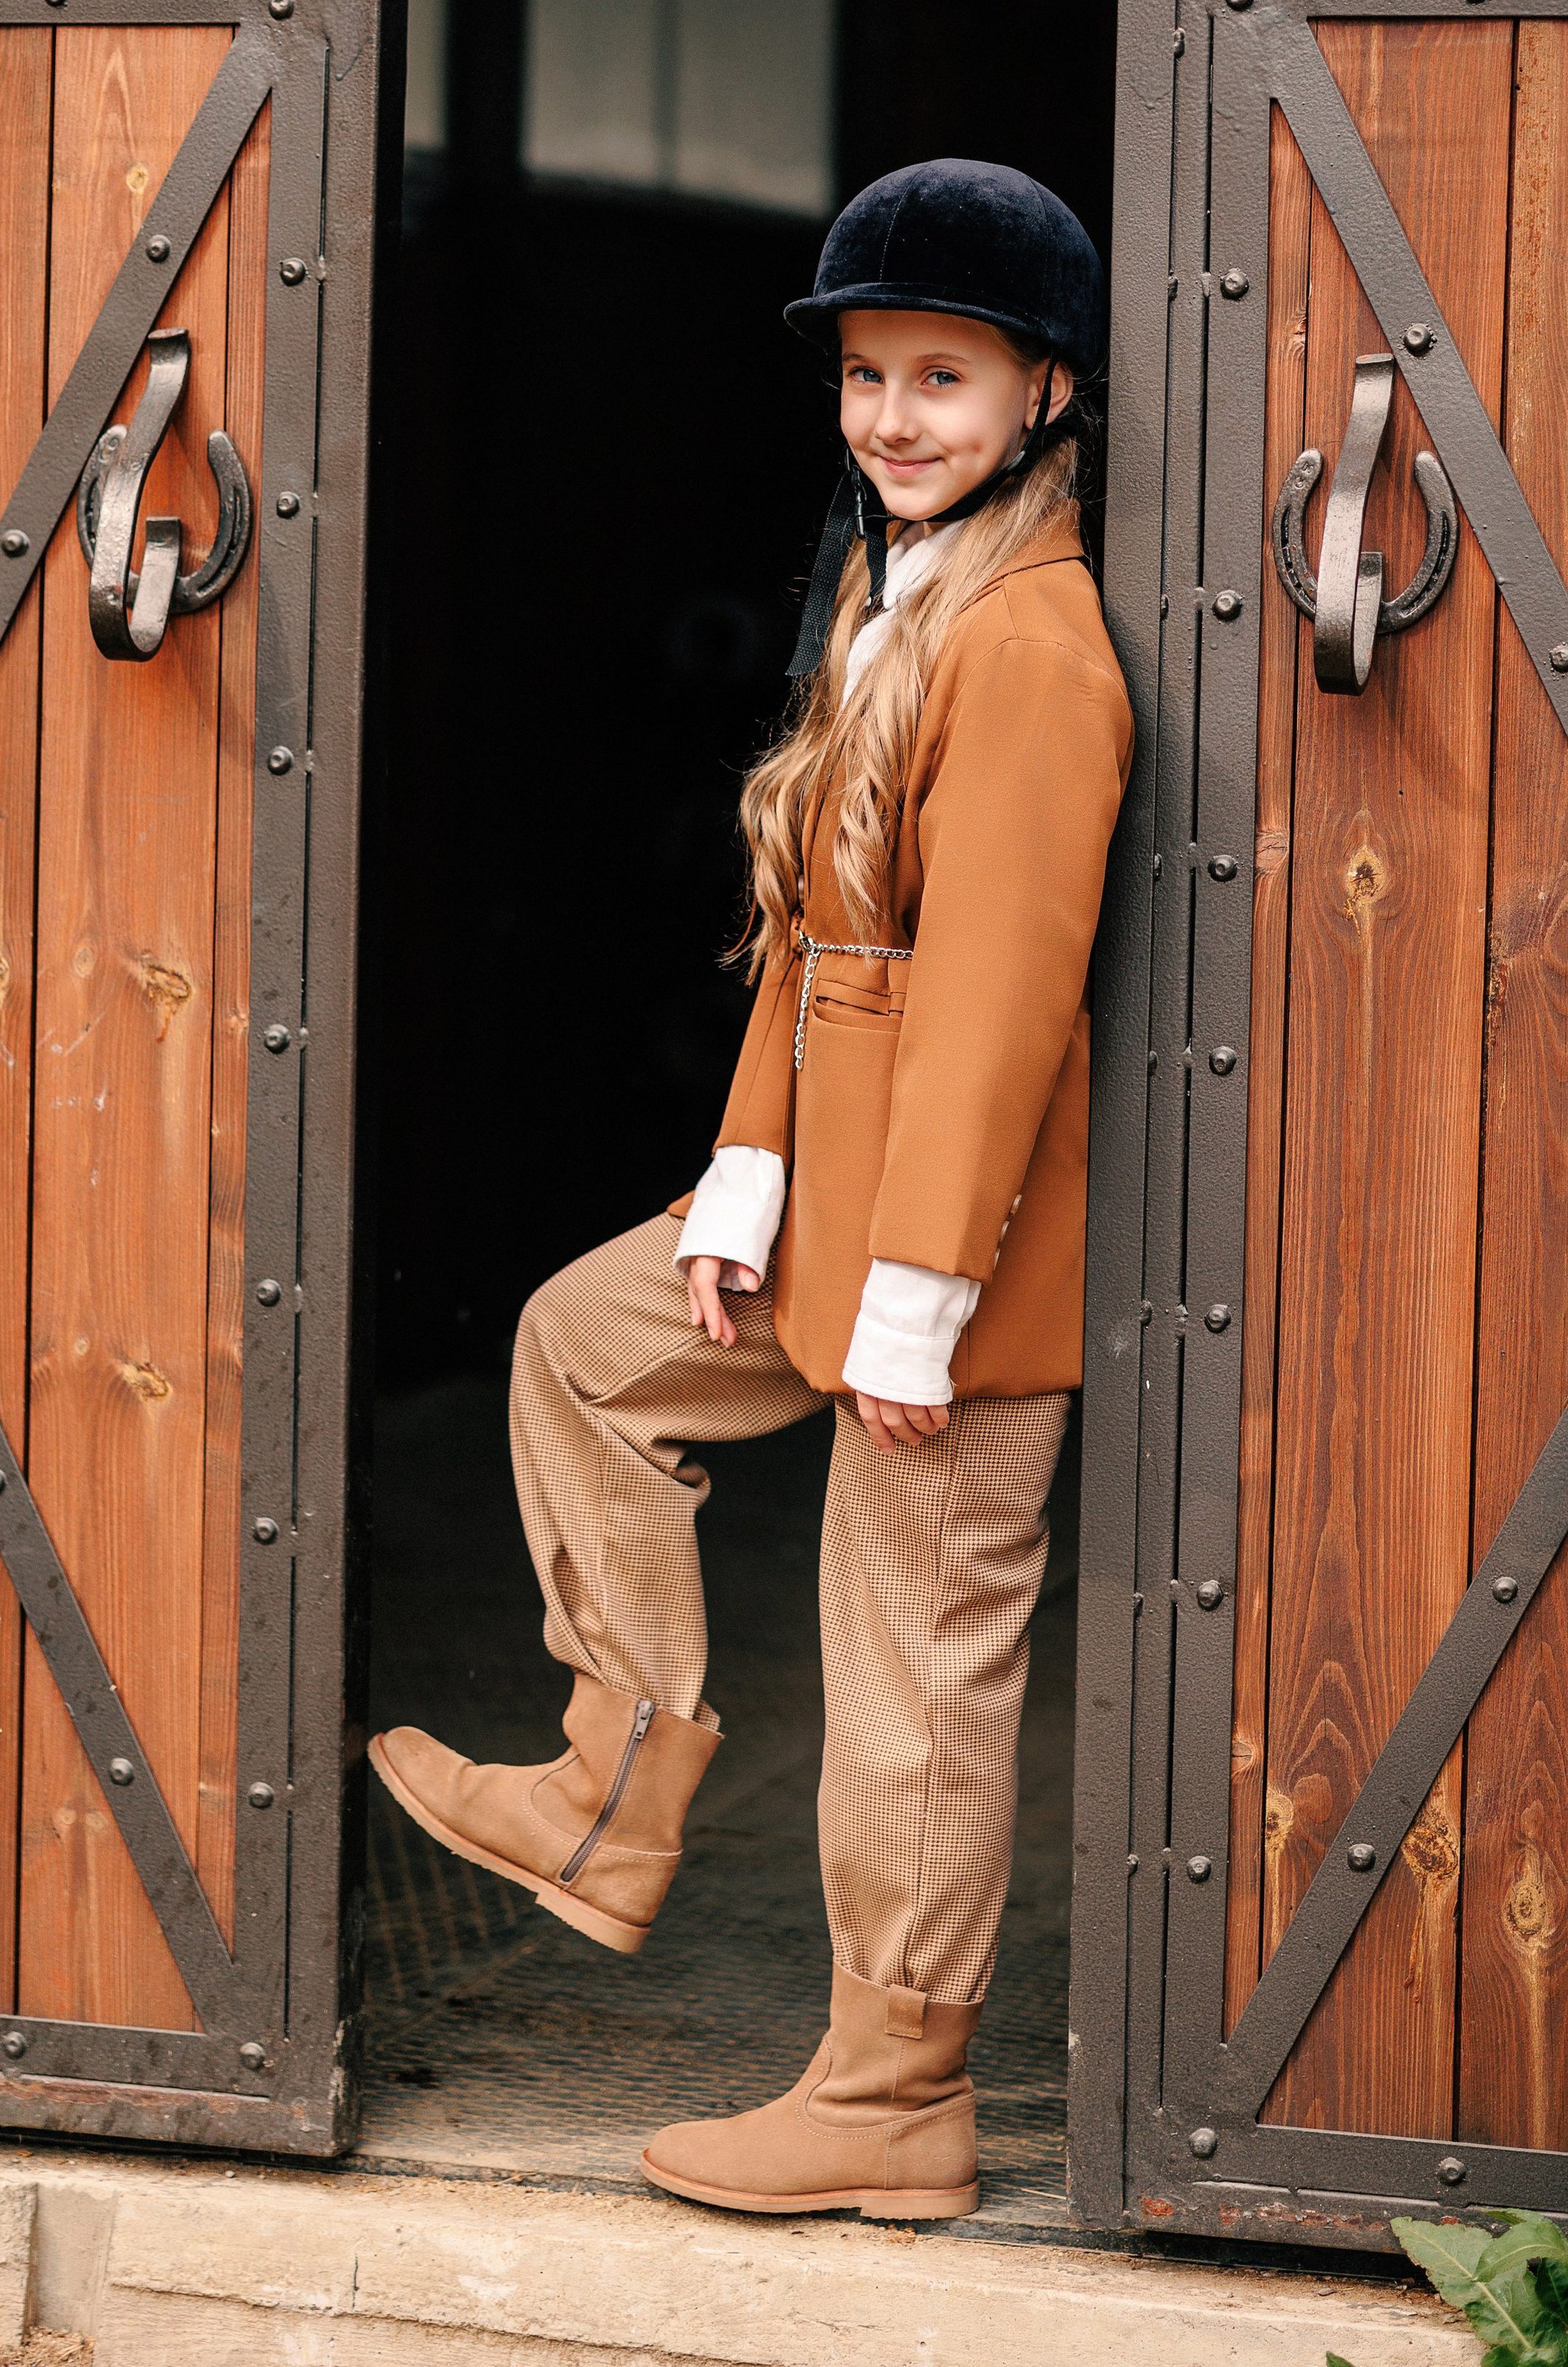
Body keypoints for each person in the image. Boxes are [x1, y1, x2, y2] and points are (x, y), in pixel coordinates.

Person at [370, 160, 1133, 2220]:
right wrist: (741, 1180)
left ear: (1046, 391)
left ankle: (897, 2096)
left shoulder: (1038, 643)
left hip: (956, 1253)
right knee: (583, 1345)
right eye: (869, 374)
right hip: (828, 1200)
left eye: (944, 377)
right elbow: (818, 939)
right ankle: (616, 1787)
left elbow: (991, 1005)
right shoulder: (893, 597)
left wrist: (916, 1300)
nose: (894, 416)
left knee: (908, 1667)